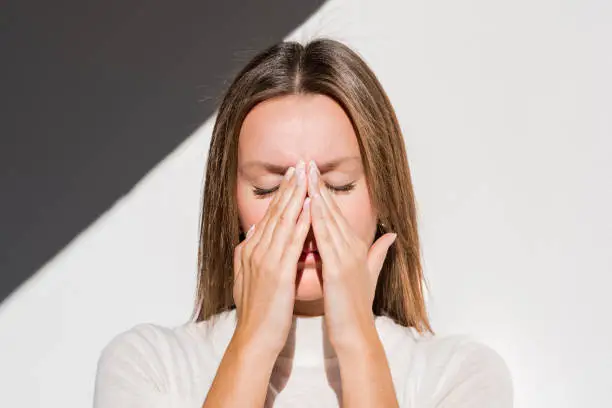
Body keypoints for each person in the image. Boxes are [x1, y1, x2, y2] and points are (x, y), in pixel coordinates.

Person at [93, 38, 513, 407]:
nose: (306, 214)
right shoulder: (149, 365)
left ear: (383, 195)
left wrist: (357, 341)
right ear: (230, 202)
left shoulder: (459, 377)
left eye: (338, 185)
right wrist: (254, 340)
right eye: (270, 188)